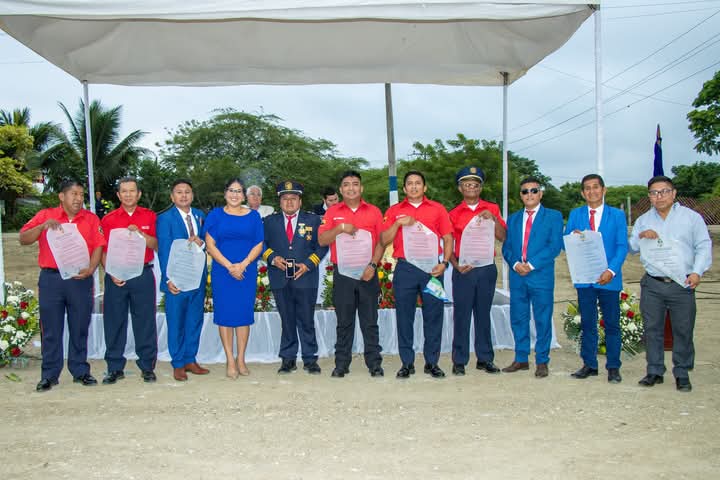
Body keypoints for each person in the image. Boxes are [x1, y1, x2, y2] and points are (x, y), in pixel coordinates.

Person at [19, 179, 106, 392]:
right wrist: (42, 227)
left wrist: (91, 268)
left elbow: (98, 245)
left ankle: (80, 370)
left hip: (80, 280)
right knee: (51, 328)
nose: (78, 199)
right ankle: (49, 375)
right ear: (62, 196)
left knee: (80, 326)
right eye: (74, 194)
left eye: (81, 195)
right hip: (52, 280)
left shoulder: (91, 218)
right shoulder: (45, 215)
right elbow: (23, 238)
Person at [629, 175, 711, 392]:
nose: (659, 196)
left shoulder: (691, 218)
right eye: (654, 193)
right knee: (652, 329)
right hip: (653, 283)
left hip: (682, 283)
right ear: (649, 196)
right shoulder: (643, 220)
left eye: (664, 191)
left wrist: (697, 272)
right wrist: (640, 236)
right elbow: (632, 247)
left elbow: (703, 245)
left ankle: (682, 372)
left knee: (683, 329)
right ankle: (654, 370)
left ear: (674, 194)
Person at [380, 171, 453, 379]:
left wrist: (445, 263)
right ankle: (407, 363)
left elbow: (448, 238)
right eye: (410, 183)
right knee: (404, 317)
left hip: (433, 270)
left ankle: (432, 362)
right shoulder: (395, 211)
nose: (414, 187)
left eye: (418, 183)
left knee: (434, 316)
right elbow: (384, 239)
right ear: (404, 188)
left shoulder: (437, 209)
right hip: (406, 269)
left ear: (424, 187)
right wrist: (397, 224)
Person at [318, 170, 385, 378]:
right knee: (344, 322)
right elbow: (322, 240)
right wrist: (339, 228)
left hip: (368, 273)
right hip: (343, 275)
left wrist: (373, 265)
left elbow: (382, 242)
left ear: (361, 188)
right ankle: (341, 364)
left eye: (355, 184)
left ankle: (374, 363)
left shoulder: (374, 211)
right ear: (341, 189)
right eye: (346, 184)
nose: (351, 188)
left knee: (370, 321)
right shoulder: (332, 213)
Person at [565, 174, 628, 384]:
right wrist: (572, 237)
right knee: (587, 323)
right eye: (587, 188)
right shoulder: (575, 214)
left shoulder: (617, 215)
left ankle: (613, 367)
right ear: (583, 193)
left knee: (612, 324)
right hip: (585, 279)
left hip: (609, 279)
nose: (592, 191)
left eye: (595, 187)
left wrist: (611, 270)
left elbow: (622, 246)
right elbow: (566, 243)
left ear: (603, 190)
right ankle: (589, 364)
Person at [262, 181, 328, 374]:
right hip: (279, 277)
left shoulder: (314, 220)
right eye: (285, 198)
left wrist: (308, 264)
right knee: (287, 320)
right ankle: (288, 359)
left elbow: (322, 245)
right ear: (279, 201)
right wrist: (272, 258)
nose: (289, 202)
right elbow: (261, 244)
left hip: (306, 277)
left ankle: (310, 359)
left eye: (293, 198)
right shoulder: (269, 222)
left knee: (306, 319)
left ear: (300, 201)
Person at [501, 177, 563, 378]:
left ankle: (542, 360)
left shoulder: (553, 216)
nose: (529, 194)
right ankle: (521, 358)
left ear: (541, 193)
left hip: (540, 276)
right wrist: (515, 264)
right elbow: (507, 247)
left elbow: (554, 246)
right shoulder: (513, 218)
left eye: (534, 190)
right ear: (521, 195)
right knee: (518, 317)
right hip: (518, 276)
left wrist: (532, 264)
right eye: (525, 191)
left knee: (542, 319)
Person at [448, 166, 507, 376]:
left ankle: (485, 358)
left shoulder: (492, 208)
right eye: (466, 184)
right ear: (460, 188)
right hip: (463, 270)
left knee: (483, 314)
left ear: (480, 188)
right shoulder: (453, 213)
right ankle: (459, 360)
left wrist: (493, 219)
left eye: (475, 184)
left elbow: (502, 236)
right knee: (462, 315)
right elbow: (448, 243)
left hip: (486, 269)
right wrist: (455, 265)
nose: (471, 188)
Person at [101, 177, 159, 384]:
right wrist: (111, 272)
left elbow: (155, 245)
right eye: (124, 191)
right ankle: (114, 367)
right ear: (118, 195)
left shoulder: (150, 216)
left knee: (145, 321)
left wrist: (141, 234)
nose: (128, 195)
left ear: (139, 194)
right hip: (117, 276)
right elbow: (103, 250)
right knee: (114, 321)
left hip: (142, 274)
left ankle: (147, 366)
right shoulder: (108, 219)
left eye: (132, 191)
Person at [205, 178, 264, 378]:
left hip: (246, 271)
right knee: (225, 314)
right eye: (231, 190)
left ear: (244, 195)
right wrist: (230, 266)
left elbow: (259, 244)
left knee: (243, 315)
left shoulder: (253, 216)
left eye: (239, 191)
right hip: (223, 272)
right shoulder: (215, 215)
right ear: (225, 193)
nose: (234, 194)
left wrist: (243, 264)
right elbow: (210, 244)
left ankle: (241, 359)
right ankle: (230, 359)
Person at [157, 179, 210, 382]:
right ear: (172, 197)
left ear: (192, 195)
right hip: (176, 280)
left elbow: (207, 243)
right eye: (179, 192)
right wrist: (168, 278)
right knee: (176, 321)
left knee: (194, 320)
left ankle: (190, 359)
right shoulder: (165, 219)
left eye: (187, 191)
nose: (184, 195)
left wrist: (201, 243)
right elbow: (163, 251)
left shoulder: (199, 215)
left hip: (196, 278)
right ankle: (178, 363)